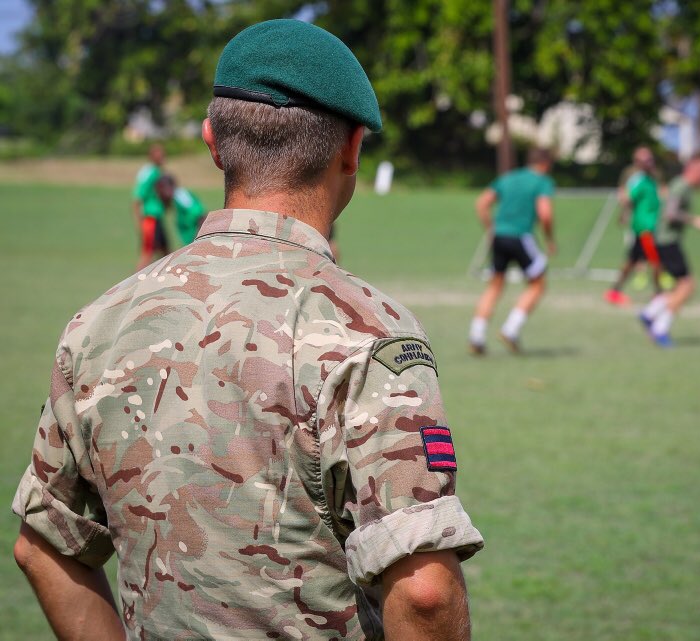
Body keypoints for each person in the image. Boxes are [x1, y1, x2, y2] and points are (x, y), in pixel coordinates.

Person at [12, 19, 483, 641]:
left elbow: (44, 545)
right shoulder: (368, 330)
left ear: (212, 141)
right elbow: (424, 592)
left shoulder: (97, 323)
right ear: (353, 148)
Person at [468, 147, 556, 355]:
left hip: (499, 237)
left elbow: (482, 203)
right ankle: (511, 329)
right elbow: (545, 214)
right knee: (538, 283)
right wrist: (550, 239)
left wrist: (491, 229)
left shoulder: (508, 178)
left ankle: (476, 335)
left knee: (495, 285)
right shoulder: (542, 181)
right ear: (545, 164)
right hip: (521, 236)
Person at [639, 153, 700, 347]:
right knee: (687, 286)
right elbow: (670, 214)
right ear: (692, 169)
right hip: (667, 241)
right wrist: (694, 220)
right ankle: (659, 328)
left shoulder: (682, 186)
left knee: (679, 287)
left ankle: (650, 313)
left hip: (666, 241)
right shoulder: (681, 186)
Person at [604, 146, 662, 306]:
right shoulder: (639, 180)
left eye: (650, 159)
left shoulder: (652, 179)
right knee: (656, 261)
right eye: (644, 160)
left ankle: (614, 291)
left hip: (650, 227)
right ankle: (659, 294)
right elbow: (626, 197)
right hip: (644, 228)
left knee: (631, 261)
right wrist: (624, 212)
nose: (649, 163)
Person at [132, 144, 169, 270]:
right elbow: (137, 198)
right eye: (160, 155)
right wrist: (139, 222)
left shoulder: (155, 171)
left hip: (156, 217)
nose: (163, 157)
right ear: (152, 157)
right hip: (150, 219)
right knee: (147, 255)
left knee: (167, 254)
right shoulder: (150, 173)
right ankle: (133, 286)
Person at [155, 174, 207, 246]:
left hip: (196, 245)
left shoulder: (180, 196)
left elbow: (201, 216)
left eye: (159, 191)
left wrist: (196, 242)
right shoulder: (176, 200)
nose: (159, 195)